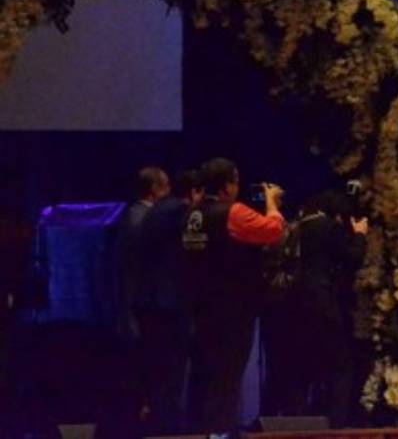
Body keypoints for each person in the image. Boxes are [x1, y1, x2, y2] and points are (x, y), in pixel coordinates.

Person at [182, 157, 285, 434]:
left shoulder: (193, 214)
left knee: (205, 374)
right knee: (227, 375)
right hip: (232, 307)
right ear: (227, 186)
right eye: (236, 181)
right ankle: (220, 432)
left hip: (199, 305)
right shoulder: (232, 213)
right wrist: (272, 202)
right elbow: (273, 231)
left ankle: (201, 430)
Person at [262, 189, 368, 426]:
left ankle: (296, 423)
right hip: (320, 300)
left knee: (300, 365)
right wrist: (360, 234)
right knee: (341, 364)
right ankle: (337, 423)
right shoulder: (327, 227)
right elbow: (352, 257)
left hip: (291, 303)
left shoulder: (295, 226)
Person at [134, 168, 202, 435]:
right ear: (193, 192)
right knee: (172, 369)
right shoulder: (180, 213)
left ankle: (159, 422)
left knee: (155, 369)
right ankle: (171, 427)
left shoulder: (154, 211)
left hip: (149, 300)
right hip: (171, 302)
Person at [116, 166, 170, 342]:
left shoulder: (129, 214)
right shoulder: (145, 217)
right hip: (144, 299)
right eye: (166, 186)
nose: (169, 191)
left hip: (137, 297)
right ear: (155, 188)